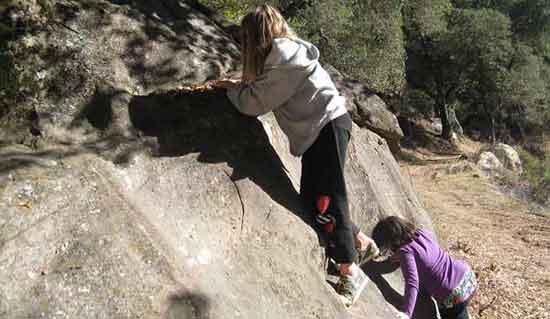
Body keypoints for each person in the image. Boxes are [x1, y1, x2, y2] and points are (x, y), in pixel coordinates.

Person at [210, 4, 378, 307]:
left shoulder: (284, 60)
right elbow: (263, 88)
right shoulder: (286, 56)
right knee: (314, 197)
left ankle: (350, 270)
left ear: (255, 37)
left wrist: (229, 92)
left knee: (327, 199)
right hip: (325, 126)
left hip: (325, 127)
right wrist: (237, 85)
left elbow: (254, 103)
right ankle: (360, 241)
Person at [372, 216, 477, 319]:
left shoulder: (406, 253)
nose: (387, 253)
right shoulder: (422, 233)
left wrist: (407, 313)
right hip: (467, 277)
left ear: (390, 242)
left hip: (452, 294)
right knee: (461, 311)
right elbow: (426, 263)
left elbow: (412, 282)